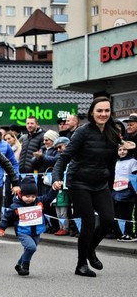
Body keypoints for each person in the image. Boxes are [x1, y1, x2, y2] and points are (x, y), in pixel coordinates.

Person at [52, 97, 130, 277]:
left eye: (107, 111)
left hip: (100, 183)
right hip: (79, 182)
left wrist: (109, 187)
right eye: (99, 111)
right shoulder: (82, 132)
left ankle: (90, 250)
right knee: (88, 222)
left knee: (108, 220)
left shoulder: (112, 133)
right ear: (92, 113)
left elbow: (111, 165)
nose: (103, 114)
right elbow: (64, 158)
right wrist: (57, 177)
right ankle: (81, 265)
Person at [0, 177, 57, 276]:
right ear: (21, 194)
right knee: (31, 247)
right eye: (27, 196)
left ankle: (19, 264)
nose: (30, 199)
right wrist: (2, 228)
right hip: (23, 231)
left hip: (36, 231)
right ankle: (25, 266)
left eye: (33, 196)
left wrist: (54, 189)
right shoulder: (16, 205)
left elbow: (49, 197)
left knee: (29, 248)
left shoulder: (38, 202)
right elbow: (7, 217)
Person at [112, 144, 137, 241]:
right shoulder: (117, 162)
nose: (122, 152)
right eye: (120, 150)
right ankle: (122, 233)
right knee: (119, 213)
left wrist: (132, 188)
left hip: (129, 190)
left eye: (124, 150)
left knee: (129, 213)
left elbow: (134, 176)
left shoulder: (133, 161)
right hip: (116, 190)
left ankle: (130, 233)